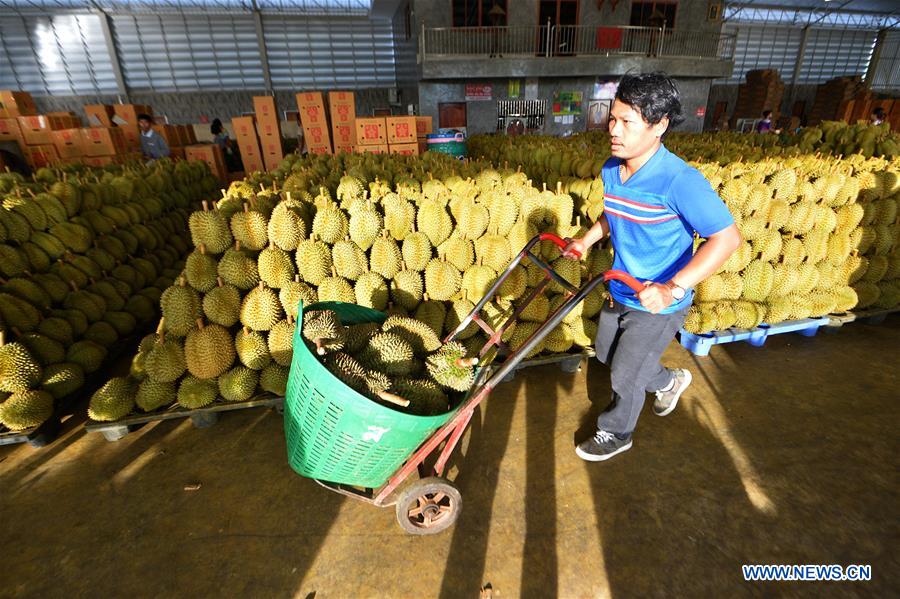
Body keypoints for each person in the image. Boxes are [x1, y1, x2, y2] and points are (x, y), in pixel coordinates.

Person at [563, 72, 741, 462]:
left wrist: (672, 288)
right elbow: (615, 213)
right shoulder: (613, 168)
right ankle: (669, 381)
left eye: (627, 121)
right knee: (608, 354)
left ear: (659, 126)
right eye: (612, 118)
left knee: (625, 374)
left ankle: (617, 432)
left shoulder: (681, 181)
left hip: (660, 302)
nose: (614, 129)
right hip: (622, 287)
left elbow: (727, 239)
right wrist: (586, 240)